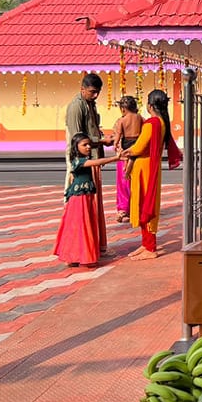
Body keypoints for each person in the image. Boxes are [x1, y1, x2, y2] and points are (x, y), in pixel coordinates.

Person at [119, 89, 182, 261]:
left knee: (145, 204)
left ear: (150, 105)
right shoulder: (162, 122)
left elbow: (138, 147)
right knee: (145, 203)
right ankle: (146, 244)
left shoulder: (152, 123)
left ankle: (150, 247)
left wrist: (124, 152)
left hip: (144, 167)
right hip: (150, 166)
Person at [53, 132, 120, 268]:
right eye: (84, 145)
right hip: (79, 200)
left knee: (82, 226)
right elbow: (97, 162)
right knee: (81, 227)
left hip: (86, 197)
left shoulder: (80, 159)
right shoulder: (78, 161)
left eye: (89, 144)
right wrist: (115, 158)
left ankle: (76, 256)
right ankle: (79, 257)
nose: (88, 147)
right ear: (76, 147)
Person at [65, 73, 113, 254]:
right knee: (83, 209)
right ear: (82, 89)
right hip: (83, 164)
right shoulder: (76, 106)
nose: (95, 96)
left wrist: (101, 140)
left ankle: (94, 246)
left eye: (97, 92)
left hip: (92, 159)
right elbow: (78, 139)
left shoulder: (88, 103)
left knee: (94, 206)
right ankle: (80, 248)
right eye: (92, 92)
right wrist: (101, 140)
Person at [111, 95, 143, 223]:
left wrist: (114, 145)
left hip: (125, 153)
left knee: (124, 182)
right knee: (137, 181)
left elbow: (117, 136)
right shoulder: (140, 118)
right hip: (137, 151)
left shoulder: (122, 121)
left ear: (123, 109)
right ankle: (138, 208)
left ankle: (123, 210)